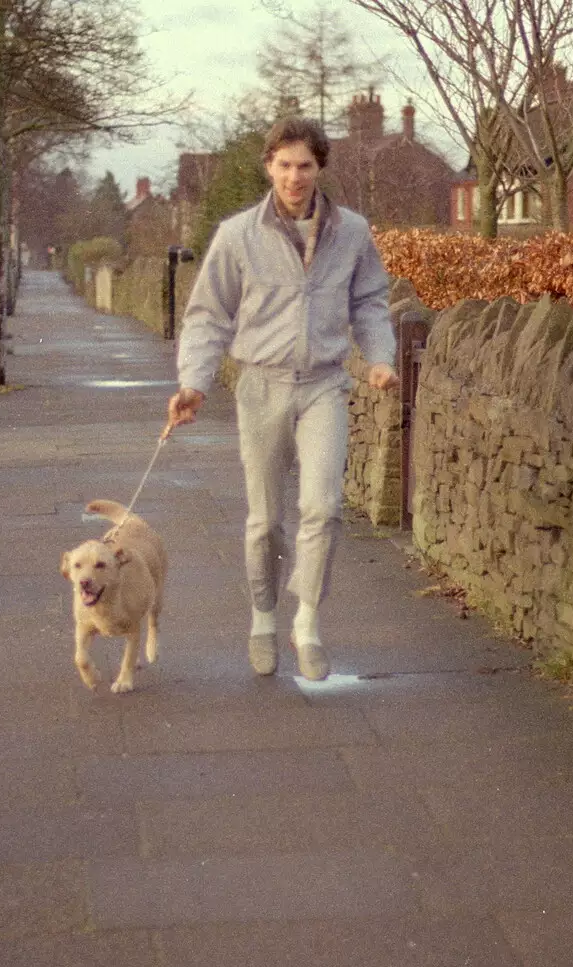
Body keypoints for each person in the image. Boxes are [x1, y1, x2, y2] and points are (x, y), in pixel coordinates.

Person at [164, 116, 399, 681]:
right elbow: (207, 315)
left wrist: (381, 356)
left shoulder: (352, 232)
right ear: (269, 166)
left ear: (320, 169)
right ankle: (264, 618)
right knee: (266, 519)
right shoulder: (238, 235)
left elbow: (369, 300)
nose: (295, 177)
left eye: (306, 166)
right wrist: (193, 381)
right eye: (285, 165)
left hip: (324, 383)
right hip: (261, 384)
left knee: (323, 507)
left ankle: (307, 624)